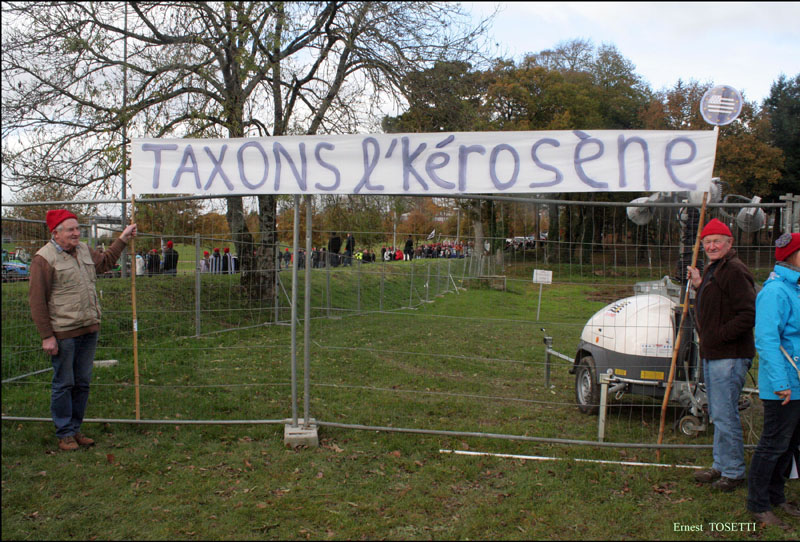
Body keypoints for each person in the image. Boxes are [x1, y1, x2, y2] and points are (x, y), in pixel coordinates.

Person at [28, 209, 137, 451]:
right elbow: (37, 301)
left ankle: (75, 429)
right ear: (56, 233)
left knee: (82, 383)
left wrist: (123, 238)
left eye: (78, 228)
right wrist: (47, 336)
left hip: (89, 329)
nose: (77, 233)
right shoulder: (43, 259)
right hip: (63, 333)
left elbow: (106, 262)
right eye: (71, 229)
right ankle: (64, 433)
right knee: (64, 383)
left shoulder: (84, 251)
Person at [687, 218, 756, 491]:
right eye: (707, 242)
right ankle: (721, 465)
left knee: (725, 414)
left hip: (729, 355)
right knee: (717, 412)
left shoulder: (735, 271)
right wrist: (699, 284)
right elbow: (717, 303)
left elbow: (747, 314)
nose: (712, 246)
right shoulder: (716, 269)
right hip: (715, 354)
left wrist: (717, 336)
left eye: (718, 241)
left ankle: (734, 471)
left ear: (730, 243)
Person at [746, 232, 800, 527]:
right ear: (792, 256)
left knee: (789, 445)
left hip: (797, 383)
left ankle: (777, 497)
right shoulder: (775, 292)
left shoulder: (796, 289)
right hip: (783, 385)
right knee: (773, 444)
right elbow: (767, 340)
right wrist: (781, 383)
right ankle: (758, 503)